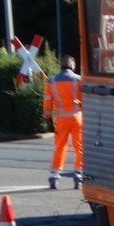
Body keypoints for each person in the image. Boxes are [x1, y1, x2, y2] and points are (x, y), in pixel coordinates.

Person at [42, 54, 83, 190]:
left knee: (60, 147)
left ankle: (55, 176)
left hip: (61, 119)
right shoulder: (79, 80)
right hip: (77, 118)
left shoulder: (51, 82)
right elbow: (85, 99)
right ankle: (78, 174)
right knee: (79, 147)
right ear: (71, 65)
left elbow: (47, 101)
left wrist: (47, 117)